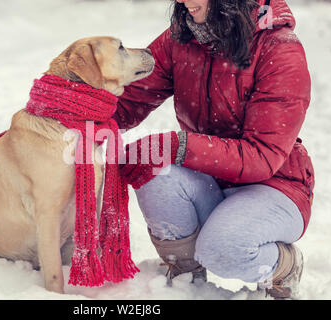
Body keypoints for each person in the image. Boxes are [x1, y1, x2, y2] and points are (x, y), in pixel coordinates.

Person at [115, 0, 314, 299]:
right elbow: (130, 99)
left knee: (223, 249)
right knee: (152, 167)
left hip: (275, 188)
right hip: (208, 179)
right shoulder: (184, 36)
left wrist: (181, 146)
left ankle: (283, 266)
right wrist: (75, 110)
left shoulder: (279, 49)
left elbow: (262, 155)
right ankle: (185, 277)